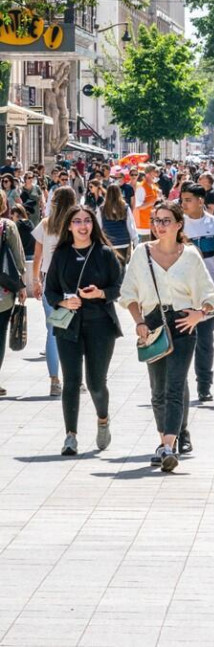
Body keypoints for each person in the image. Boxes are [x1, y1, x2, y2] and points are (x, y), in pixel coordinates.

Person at [120, 202, 214, 471]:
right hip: (152, 323)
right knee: (157, 389)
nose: (160, 226)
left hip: (183, 323)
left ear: (178, 225)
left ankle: (167, 445)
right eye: (156, 220)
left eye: (166, 221)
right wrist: (138, 321)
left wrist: (200, 314)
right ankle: (165, 438)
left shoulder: (190, 255)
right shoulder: (141, 253)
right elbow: (128, 293)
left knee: (175, 385)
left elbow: (211, 295)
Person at [45, 206, 123, 456]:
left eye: (87, 221)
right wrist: (64, 302)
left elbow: (118, 287)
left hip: (101, 323)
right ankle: (71, 436)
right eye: (77, 221)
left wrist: (101, 293)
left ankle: (103, 419)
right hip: (69, 324)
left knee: (96, 383)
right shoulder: (61, 254)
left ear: (93, 224)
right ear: (68, 226)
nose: (82, 225)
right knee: (71, 381)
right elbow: (50, 291)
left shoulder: (105, 253)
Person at [181, 183, 214, 402]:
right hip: (181, 292)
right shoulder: (177, 224)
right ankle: (178, 383)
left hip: (207, 291)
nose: (184, 204)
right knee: (181, 339)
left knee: (205, 340)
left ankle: (204, 384)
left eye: (188, 199)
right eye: (183, 199)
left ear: (201, 200)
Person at [32, 187, 78, 397]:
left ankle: (54, 380)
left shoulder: (45, 224)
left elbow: (37, 256)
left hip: (50, 282)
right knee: (75, 331)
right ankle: (75, 379)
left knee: (53, 332)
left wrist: (35, 281)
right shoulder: (75, 224)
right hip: (72, 283)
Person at [0, 201, 27, 397]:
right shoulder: (7, 226)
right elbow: (18, 257)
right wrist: (22, 284)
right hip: (3, 291)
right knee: (0, 335)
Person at [96, 184, 138, 263]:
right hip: (124, 242)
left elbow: (98, 227)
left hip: (109, 243)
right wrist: (135, 241)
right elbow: (131, 226)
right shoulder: (125, 207)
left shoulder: (102, 209)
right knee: (122, 268)